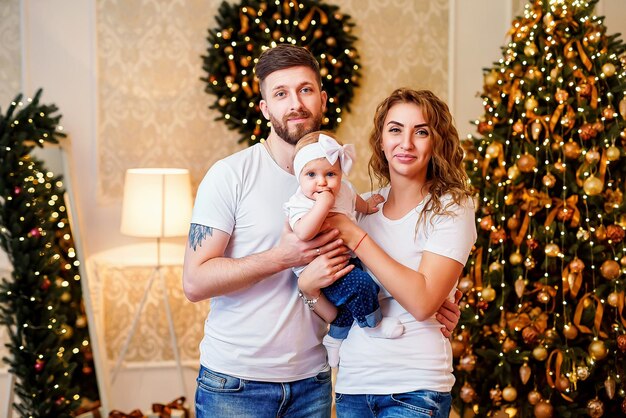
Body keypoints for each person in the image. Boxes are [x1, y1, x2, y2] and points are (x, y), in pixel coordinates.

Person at [183, 44, 461, 418]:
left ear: (322, 99)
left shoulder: (340, 184)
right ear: (266, 108)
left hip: (315, 382)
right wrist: (281, 257)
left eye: (305, 90)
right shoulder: (232, 175)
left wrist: (434, 302)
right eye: (280, 93)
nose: (295, 103)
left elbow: (389, 258)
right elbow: (194, 282)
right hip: (237, 383)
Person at [298, 88, 477, 418]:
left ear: (435, 142)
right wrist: (308, 290)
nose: (406, 143)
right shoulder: (360, 206)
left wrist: (355, 236)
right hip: (354, 386)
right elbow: (342, 311)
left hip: (416, 388)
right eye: (395, 130)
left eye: (420, 131)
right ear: (381, 140)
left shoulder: (451, 208)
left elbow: (423, 303)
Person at [285, 130, 402, 368]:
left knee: (358, 295)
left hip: (344, 258)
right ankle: (374, 327)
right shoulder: (300, 202)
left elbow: (354, 200)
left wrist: (367, 207)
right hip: (318, 268)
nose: (322, 182)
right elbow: (304, 232)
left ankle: (335, 338)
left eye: (330, 174)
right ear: (299, 177)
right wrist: (323, 204)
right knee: (361, 286)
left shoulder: (344, 189)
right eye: (311, 174)